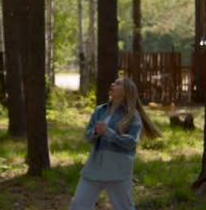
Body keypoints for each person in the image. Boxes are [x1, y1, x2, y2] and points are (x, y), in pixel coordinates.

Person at [69, 77, 163, 210]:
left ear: (126, 91)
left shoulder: (132, 115)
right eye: (113, 82)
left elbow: (131, 142)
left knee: (124, 207)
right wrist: (95, 132)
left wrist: (108, 132)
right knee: (78, 204)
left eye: (118, 84)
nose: (113, 84)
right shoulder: (99, 110)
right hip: (95, 166)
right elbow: (88, 136)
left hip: (118, 168)